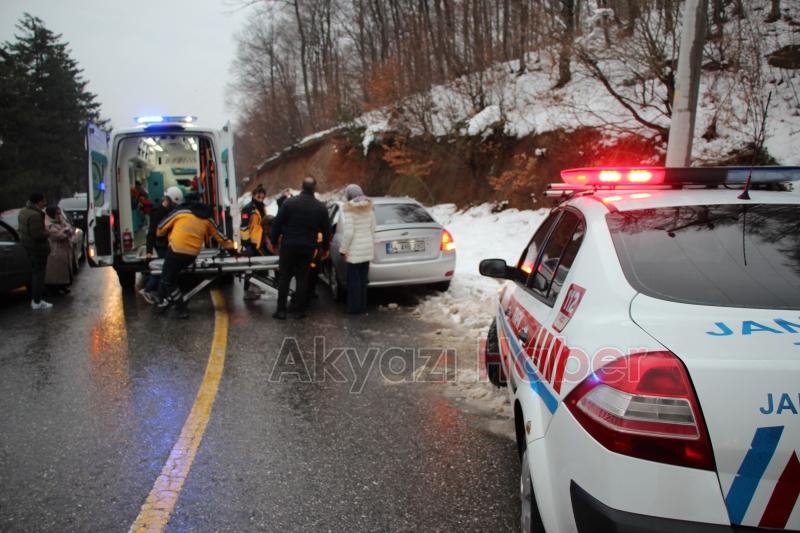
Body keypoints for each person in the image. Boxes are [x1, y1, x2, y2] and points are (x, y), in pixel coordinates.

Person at [155, 194, 236, 318]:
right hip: (192, 254)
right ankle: (163, 301)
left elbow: (161, 227)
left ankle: (179, 308)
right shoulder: (206, 217)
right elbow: (221, 237)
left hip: (176, 250)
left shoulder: (180, 212)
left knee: (167, 280)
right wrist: (234, 249)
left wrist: (161, 238)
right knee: (170, 275)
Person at [269, 176, 330, 320]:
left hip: (289, 245)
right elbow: (326, 230)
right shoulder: (320, 207)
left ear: (301, 187)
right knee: (303, 278)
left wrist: (273, 241)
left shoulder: (289, 203)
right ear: (314, 188)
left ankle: (281, 310)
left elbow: (277, 223)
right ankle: (299, 310)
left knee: (285, 278)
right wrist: (325, 248)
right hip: (308, 246)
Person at [140, 186, 184, 303]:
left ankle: (161, 294)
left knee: (165, 268)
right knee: (164, 267)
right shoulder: (158, 213)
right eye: (174, 203)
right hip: (161, 245)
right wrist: (149, 251)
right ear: (169, 200)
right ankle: (149, 290)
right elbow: (151, 233)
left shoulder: (169, 211)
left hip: (167, 244)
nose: (174, 206)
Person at [339, 184, 376, 314]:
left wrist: (343, 250)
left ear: (349, 195)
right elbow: (372, 229)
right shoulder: (369, 208)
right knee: (362, 279)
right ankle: (362, 306)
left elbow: (349, 233)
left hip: (354, 251)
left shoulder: (349, 209)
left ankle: (354, 308)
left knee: (354, 281)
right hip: (366, 249)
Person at [18, 193, 52, 309]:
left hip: (28, 248)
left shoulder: (23, 211)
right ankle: (37, 301)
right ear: (38, 202)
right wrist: (48, 233)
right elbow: (37, 235)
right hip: (38, 250)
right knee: (39, 276)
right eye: (43, 201)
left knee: (35, 274)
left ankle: (36, 299)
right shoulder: (35, 216)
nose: (45, 203)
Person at [240, 184, 269, 300]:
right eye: (259, 197)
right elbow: (244, 227)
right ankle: (247, 291)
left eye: (262, 197)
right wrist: (246, 243)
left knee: (260, 265)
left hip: (260, 240)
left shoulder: (262, 207)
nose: (261, 199)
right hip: (252, 241)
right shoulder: (248, 208)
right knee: (250, 267)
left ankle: (257, 287)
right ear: (254, 195)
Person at [44, 206, 75, 295]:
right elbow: (57, 235)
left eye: (59, 213)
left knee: (64, 269)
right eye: (57, 213)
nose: (59, 215)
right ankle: (54, 288)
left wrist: (65, 230)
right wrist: (65, 231)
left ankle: (63, 285)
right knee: (55, 271)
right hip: (54, 249)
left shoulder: (61, 220)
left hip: (64, 249)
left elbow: (69, 228)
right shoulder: (47, 223)